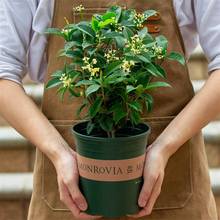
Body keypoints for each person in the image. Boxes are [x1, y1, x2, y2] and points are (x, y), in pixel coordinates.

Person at [0, 0, 219, 219]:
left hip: (173, 183)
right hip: (70, 191)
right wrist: (59, 154)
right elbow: (3, 73)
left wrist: (163, 148)